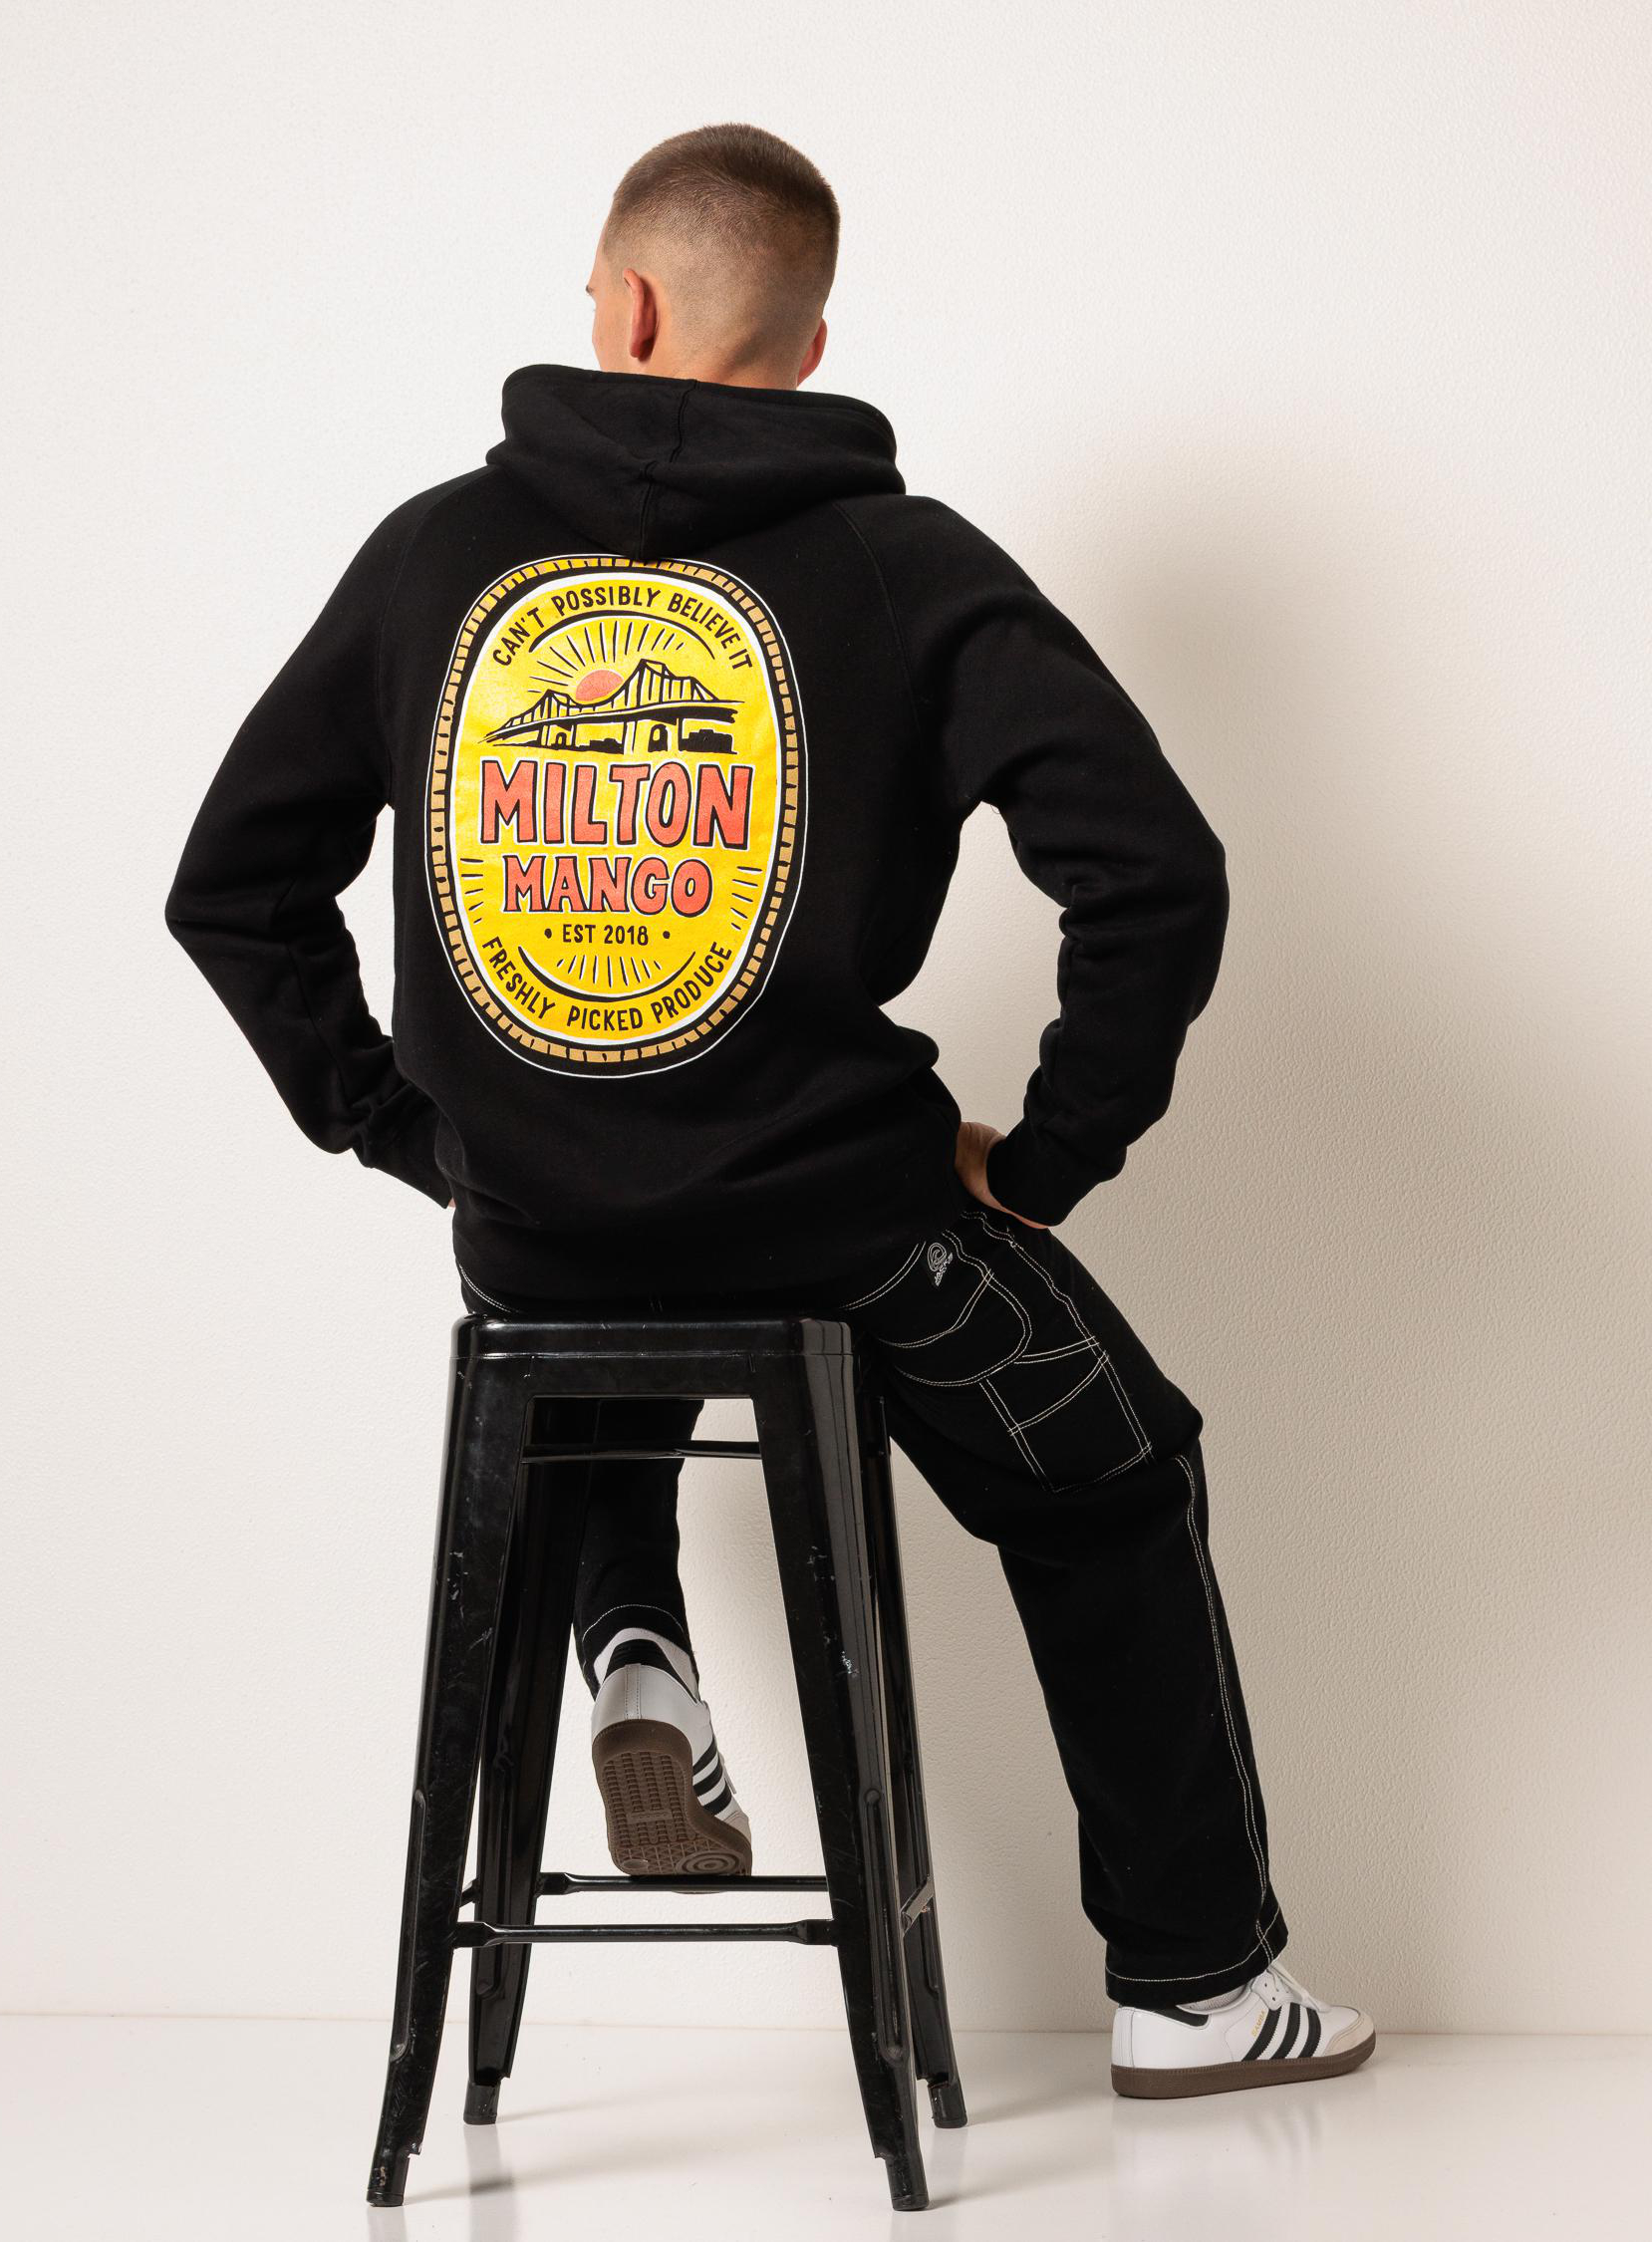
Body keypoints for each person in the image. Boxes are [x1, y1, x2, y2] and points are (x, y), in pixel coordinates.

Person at [166, 123, 1374, 2098]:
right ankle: (1195, 1983)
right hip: (844, 1215)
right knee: (1117, 1475)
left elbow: (233, 887)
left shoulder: (434, 559)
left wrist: (407, 1127)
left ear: (629, 304)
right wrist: (1048, 1156)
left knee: (601, 1289)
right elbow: (1153, 872)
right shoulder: (906, 566)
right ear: (805, 348)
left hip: (534, 1233)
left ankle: (633, 1640)